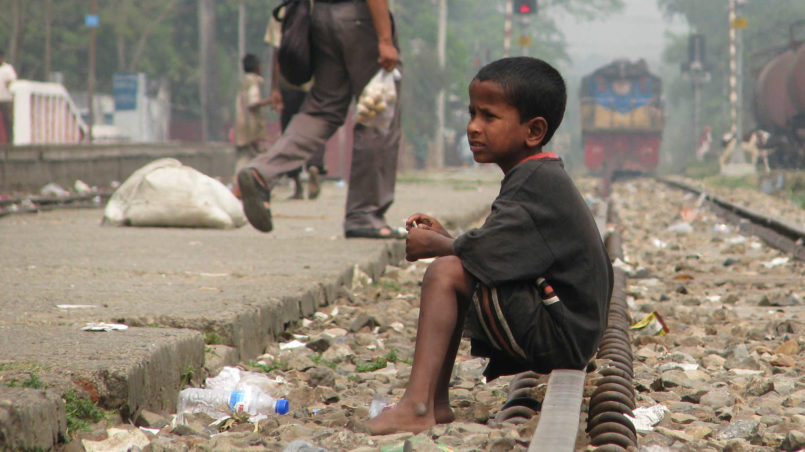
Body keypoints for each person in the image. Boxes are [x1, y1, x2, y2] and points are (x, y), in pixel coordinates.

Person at [365, 57, 614, 435]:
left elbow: (489, 254)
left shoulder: (534, 181)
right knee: (457, 263)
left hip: (562, 336)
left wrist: (437, 245)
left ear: (534, 131)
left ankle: (418, 403)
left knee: (446, 271)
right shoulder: (537, 175)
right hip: (570, 329)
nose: (473, 128)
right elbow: (503, 247)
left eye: (489, 117)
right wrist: (449, 239)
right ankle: (435, 403)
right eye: (472, 114)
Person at [237, 0, 403, 238]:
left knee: (322, 109)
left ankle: (261, 172)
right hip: (360, 18)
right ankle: (364, 215)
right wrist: (386, 40)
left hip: (321, 17)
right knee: (377, 113)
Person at [264, 6, 327, 200]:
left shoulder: (281, 13)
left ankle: (297, 183)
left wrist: (275, 88)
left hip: (289, 80)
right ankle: (315, 166)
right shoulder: (320, 10)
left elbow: (277, 55)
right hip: (315, 82)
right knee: (316, 126)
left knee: (290, 131)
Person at [233, 54, 273, 190]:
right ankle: (261, 187)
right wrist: (271, 101)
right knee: (260, 157)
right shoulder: (253, 82)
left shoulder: (243, 82)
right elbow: (253, 103)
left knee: (243, 158)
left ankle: (238, 186)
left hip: (241, 126)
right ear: (257, 68)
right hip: (252, 127)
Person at [0, 50, 17, 144]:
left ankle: (10, 142)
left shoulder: (7, 69)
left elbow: (11, 82)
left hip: (5, 99)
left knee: (8, 121)